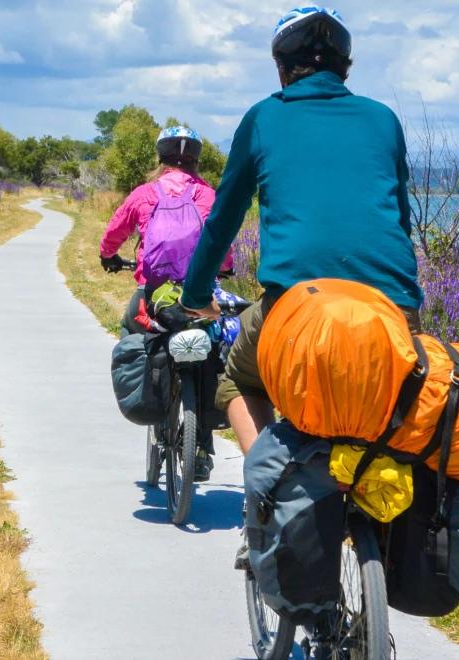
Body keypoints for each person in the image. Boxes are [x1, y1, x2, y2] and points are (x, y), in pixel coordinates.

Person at [180, 6, 424, 455]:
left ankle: (267, 491)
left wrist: (196, 295)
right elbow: (401, 221)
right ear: (345, 68)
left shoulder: (263, 118)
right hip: (394, 310)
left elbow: (224, 221)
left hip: (297, 309)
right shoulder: (383, 119)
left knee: (236, 376)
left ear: (280, 68)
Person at [98, 125, 232, 336]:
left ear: (160, 158)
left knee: (130, 333)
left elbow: (115, 231)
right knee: (220, 342)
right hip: (198, 293)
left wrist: (108, 255)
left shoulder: (144, 193)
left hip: (152, 291)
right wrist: (225, 266)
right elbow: (221, 241)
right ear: (196, 160)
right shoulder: (208, 195)